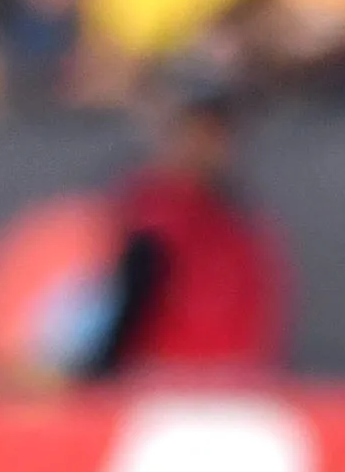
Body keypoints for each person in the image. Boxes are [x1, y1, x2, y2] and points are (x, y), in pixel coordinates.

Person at [79, 71, 287, 380]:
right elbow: (120, 316)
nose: (209, 146)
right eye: (197, 130)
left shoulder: (241, 225)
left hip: (235, 389)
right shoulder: (152, 217)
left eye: (218, 132)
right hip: (162, 389)